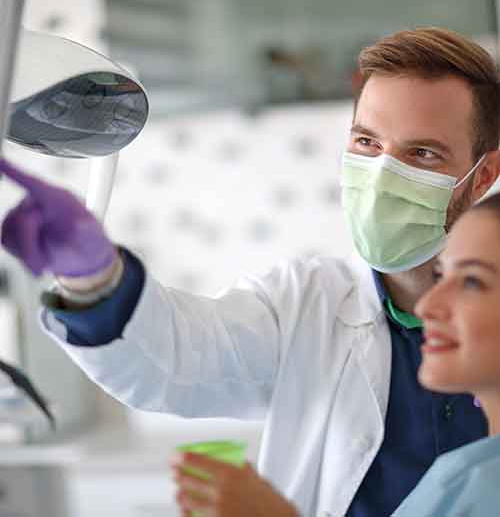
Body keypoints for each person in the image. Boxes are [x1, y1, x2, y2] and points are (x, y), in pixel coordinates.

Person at [1, 27, 500, 517]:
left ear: (482, 174)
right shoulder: (308, 304)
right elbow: (176, 357)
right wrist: (94, 280)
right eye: (367, 143)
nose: (382, 175)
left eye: (421, 154)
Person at [170, 193, 500, 517]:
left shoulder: (481, 484)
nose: (429, 305)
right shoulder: (466, 474)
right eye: (441, 276)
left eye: (472, 281)